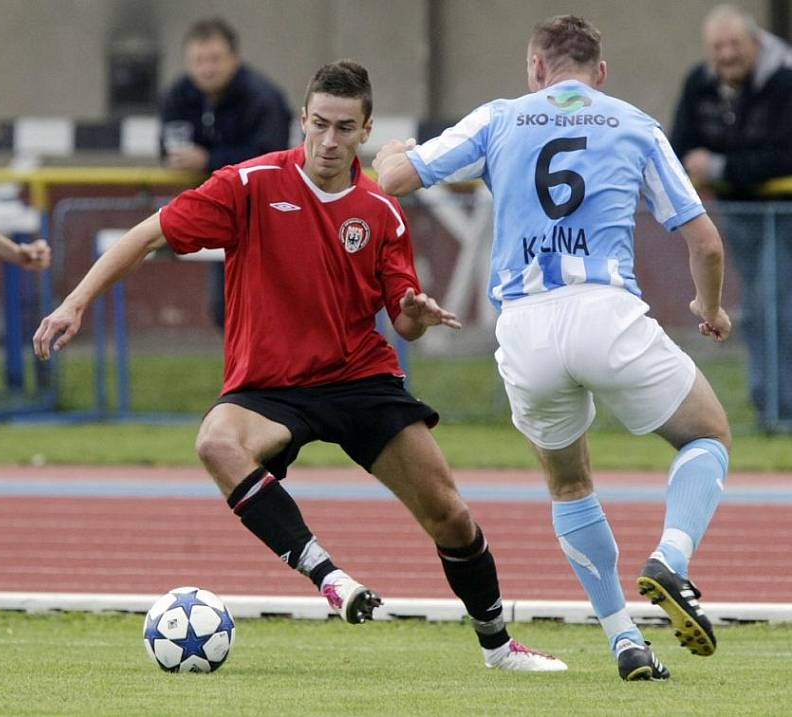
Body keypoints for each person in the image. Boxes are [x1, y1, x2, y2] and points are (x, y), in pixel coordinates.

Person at [33, 60, 566, 674]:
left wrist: (416, 311)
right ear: (303, 121)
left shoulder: (382, 212)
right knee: (216, 441)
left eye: (345, 127)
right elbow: (146, 236)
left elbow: (404, 320)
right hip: (271, 386)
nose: (330, 141)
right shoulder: (250, 184)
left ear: (366, 130)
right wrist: (75, 303)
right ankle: (329, 576)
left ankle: (499, 647)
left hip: (360, 379)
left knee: (449, 513)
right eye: (319, 125)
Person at [374, 15, 732, 681]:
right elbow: (705, 242)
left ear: (535, 68)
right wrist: (707, 308)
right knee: (707, 435)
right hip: (606, 312)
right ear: (600, 73)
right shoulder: (634, 122)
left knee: (569, 480)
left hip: (527, 327)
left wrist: (389, 151)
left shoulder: (501, 117)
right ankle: (672, 559)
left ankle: (623, 636)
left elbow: (397, 178)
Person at [671, 4, 792, 428]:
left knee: (776, 308)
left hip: (783, 212)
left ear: (756, 44)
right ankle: (772, 409)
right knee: (760, 311)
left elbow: (783, 155)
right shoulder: (700, 83)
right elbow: (680, 143)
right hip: (737, 213)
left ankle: (780, 412)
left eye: (735, 45)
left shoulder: (785, 79)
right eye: (718, 47)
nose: (726, 55)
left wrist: (718, 166)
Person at [160, 17, 292, 329]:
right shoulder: (178, 94)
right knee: (226, 310)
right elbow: (166, 146)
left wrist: (208, 160)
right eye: (198, 61)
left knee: (274, 305)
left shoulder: (262, 97)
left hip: (269, 210)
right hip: (215, 208)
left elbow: (271, 158)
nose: (207, 68)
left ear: (235, 58)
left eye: (215, 59)